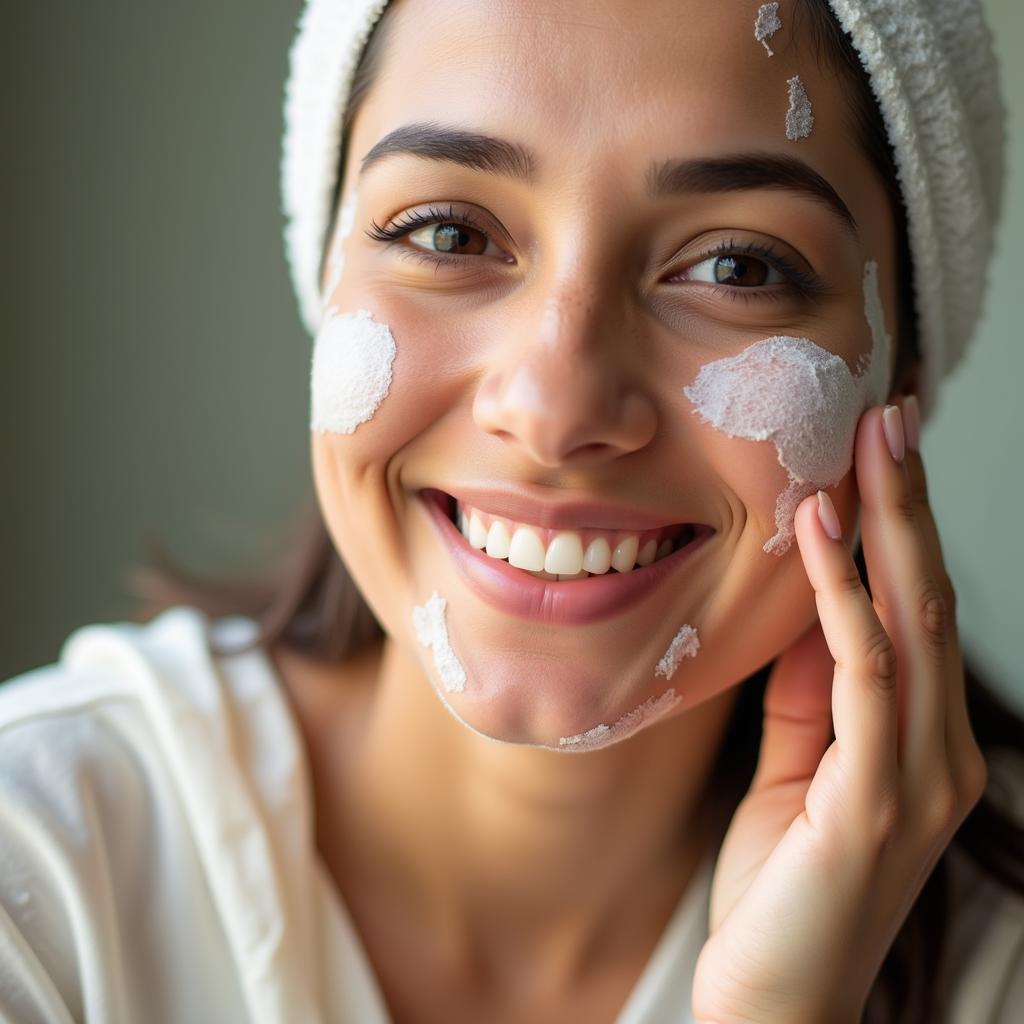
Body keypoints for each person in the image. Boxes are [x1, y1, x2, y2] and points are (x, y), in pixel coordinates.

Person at [2, 1, 1022, 1021]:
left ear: (905, 376)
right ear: (325, 279)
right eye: (448, 233)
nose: (553, 407)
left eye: (736, 267)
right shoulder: (38, 869)